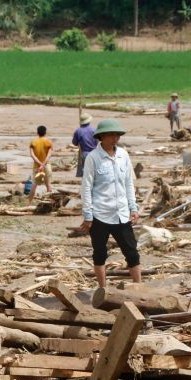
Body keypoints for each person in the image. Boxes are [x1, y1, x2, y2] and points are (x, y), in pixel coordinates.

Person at [79, 119, 141, 286]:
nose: (115, 138)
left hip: (121, 213)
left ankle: (139, 287)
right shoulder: (93, 158)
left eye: (117, 135)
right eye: (111, 135)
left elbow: (128, 182)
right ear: (102, 137)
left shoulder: (123, 155)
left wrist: (133, 207)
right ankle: (103, 289)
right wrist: (88, 215)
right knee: (99, 253)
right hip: (100, 214)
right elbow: (86, 187)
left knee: (132, 252)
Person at [28, 125, 53, 202]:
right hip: (46, 166)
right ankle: (50, 203)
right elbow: (49, 155)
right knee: (48, 184)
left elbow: (32, 155)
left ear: (37, 132)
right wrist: (43, 164)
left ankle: (29, 204)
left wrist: (39, 164)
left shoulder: (33, 142)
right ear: (45, 132)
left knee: (34, 185)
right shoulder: (48, 142)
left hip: (36, 167)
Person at [71, 113, 97, 178]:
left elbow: (74, 143)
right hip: (95, 153)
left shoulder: (78, 131)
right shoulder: (94, 130)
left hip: (84, 153)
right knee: (94, 172)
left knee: (85, 173)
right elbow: (98, 141)